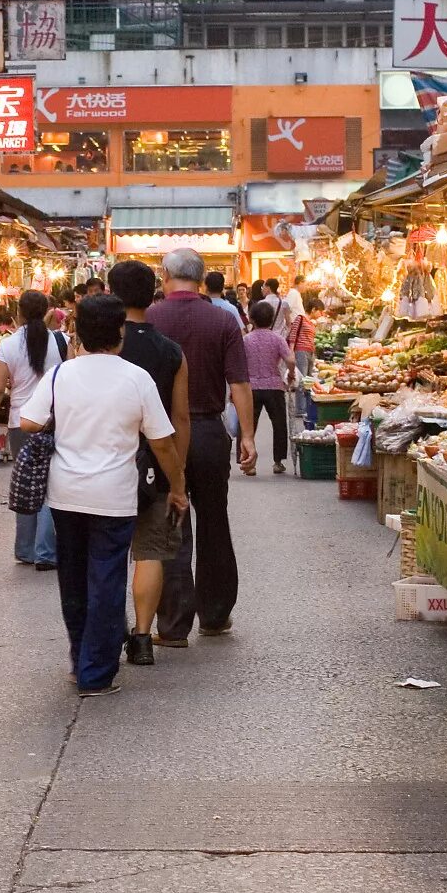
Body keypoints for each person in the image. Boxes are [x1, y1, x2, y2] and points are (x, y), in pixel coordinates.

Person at [20, 294, 187, 696]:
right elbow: (162, 443)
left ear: (78, 332)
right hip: (114, 497)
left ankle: (81, 662)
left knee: (74, 582)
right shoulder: (135, 378)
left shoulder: (61, 375)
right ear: (120, 332)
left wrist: (65, 428)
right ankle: (97, 673)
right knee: (106, 582)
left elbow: (28, 421)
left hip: (65, 495)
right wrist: (178, 489)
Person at [147, 247, 254, 645]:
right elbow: (239, 383)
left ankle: (174, 626)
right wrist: (246, 434)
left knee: (171, 523)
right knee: (214, 521)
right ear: (202, 275)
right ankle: (215, 615)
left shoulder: (151, 319)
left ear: (165, 275)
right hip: (209, 432)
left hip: (162, 437)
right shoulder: (223, 319)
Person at [109, 260, 188, 666]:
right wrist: (179, 479)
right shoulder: (170, 351)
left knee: (107, 555)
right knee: (151, 551)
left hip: (107, 465)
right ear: (152, 294)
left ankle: (109, 632)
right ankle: (142, 638)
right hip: (155, 466)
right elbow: (179, 420)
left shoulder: (98, 348)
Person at [0, 289, 68, 569]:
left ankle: (27, 549)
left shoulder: (8, 344)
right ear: (47, 311)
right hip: (54, 422)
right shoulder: (60, 341)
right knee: (50, 486)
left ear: (19, 313)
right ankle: (45, 550)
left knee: (27, 484)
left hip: (20, 424)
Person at [243, 299, 296, 475]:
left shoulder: (246, 340)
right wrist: (291, 374)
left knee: (248, 425)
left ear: (252, 319)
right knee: (279, 424)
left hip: (251, 388)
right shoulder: (277, 339)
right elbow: (290, 360)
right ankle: (278, 462)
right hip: (274, 386)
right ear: (272, 319)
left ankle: (248, 463)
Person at [285, 296, 319, 423]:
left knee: (308, 380)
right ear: (314, 309)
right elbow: (293, 334)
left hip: (310, 352)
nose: (320, 314)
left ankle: (307, 406)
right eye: (319, 311)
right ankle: (300, 408)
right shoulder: (300, 318)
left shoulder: (311, 323)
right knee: (301, 380)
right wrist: (291, 352)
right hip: (301, 351)